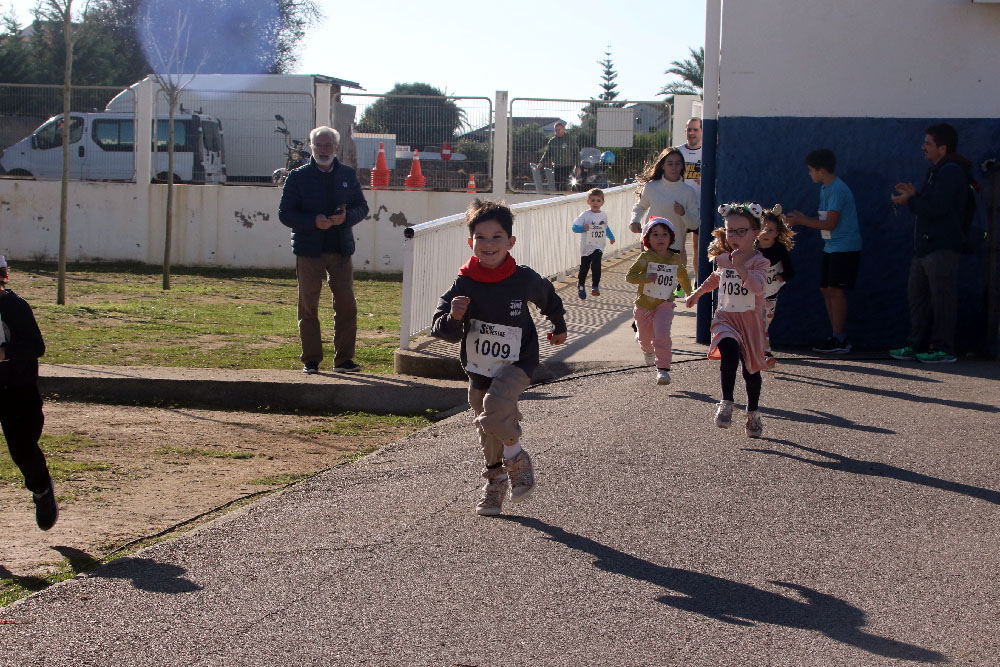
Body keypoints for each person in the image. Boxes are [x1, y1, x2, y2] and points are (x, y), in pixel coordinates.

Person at [430, 199, 567, 517]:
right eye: (481, 237)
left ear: (510, 242)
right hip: (480, 369)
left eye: (497, 237)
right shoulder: (464, 283)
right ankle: (495, 483)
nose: (489, 244)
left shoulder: (522, 278)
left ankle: (517, 458)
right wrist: (454, 316)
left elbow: (549, 298)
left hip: (519, 362)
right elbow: (443, 331)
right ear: (470, 242)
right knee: (487, 426)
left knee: (495, 407)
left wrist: (558, 326)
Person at [278, 126, 369, 374]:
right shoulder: (297, 177)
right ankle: (311, 359)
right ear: (311, 146)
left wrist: (346, 217)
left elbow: (362, 207)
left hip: (341, 250)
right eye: (319, 144)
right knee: (308, 306)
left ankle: (344, 360)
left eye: (328, 145)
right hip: (309, 251)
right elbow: (285, 214)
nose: (324, 149)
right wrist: (312, 222)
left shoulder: (348, 175)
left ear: (336, 147)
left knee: (347, 306)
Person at [684, 203, 770, 438]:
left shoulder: (760, 262)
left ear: (755, 233)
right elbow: (715, 279)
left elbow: (758, 286)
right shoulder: (723, 259)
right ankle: (726, 402)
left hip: (750, 324)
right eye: (731, 231)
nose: (734, 236)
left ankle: (752, 412)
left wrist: (741, 267)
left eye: (741, 231)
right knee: (729, 353)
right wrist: (697, 294)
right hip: (726, 319)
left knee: (751, 372)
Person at [889, 123, 971, 364]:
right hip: (924, 248)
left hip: (942, 248)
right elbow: (929, 203)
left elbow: (937, 209)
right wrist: (914, 194)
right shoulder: (935, 171)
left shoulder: (952, 172)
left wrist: (911, 200)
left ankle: (943, 348)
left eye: (928, 143)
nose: (923, 147)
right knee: (918, 299)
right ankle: (917, 345)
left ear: (943, 148)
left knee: (942, 300)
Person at [0, 256, 58, 530]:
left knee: (22, 450)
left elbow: (36, 346)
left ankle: (42, 491)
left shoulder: (14, 306)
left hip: (17, 390)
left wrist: (3, 353)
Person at [785, 149, 862, 354]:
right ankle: (835, 335)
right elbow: (824, 220)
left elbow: (830, 223)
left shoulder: (837, 189)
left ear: (821, 170)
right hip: (832, 246)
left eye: (811, 170)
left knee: (835, 290)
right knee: (826, 289)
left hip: (844, 247)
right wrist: (802, 217)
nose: (809, 173)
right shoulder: (826, 189)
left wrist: (801, 220)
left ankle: (841, 338)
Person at [625, 217, 692, 385]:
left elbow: (683, 276)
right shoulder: (646, 257)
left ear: (671, 238)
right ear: (647, 239)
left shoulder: (675, 258)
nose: (660, 238)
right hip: (643, 305)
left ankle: (663, 369)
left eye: (664, 234)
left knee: (662, 335)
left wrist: (690, 294)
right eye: (655, 234)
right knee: (646, 340)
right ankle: (647, 351)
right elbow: (630, 276)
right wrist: (645, 277)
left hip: (665, 304)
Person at [629, 147, 700, 289]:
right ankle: (645, 311)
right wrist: (634, 220)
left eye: (678, 163)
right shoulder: (651, 187)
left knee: (666, 291)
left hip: (673, 248)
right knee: (648, 286)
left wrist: (683, 213)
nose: (674, 167)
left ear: (682, 166)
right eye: (670, 163)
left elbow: (694, 223)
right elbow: (640, 207)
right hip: (651, 244)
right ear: (662, 165)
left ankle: (665, 308)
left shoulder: (688, 192)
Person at [755, 205, 796, 368]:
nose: (766, 233)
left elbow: (791, 271)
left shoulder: (779, 249)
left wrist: (783, 276)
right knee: (759, 323)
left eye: (771, 230)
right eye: (762, 229)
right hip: (752, 295)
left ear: (777, 233)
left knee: (764, 323)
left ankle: (759, 350)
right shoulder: (751, 249)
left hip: (771, 294)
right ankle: (765, 353)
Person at [571, 188, 616, 299]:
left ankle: (595, 286)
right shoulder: (585, 215)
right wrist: (583, 228)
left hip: (599, 245)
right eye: (593, 200)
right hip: (586, 246)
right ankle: (581, 284)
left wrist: (611, 237)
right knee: (584, 267)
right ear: (588, 202)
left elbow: (605, 227)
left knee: (596, 263)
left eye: (598, 200)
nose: (595, 203)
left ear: (602, 202)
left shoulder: (603, 215)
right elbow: (574, 228)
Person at [675, 117, 704, 280]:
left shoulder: (709, 152)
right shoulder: (677, 152)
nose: (692, 133)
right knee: (679, 246)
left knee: (698, 246)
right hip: (680, 206)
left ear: (701, 131)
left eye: (695, 129)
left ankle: (698, 282)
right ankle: (681, 282)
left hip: (700, 207)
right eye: (689, 130)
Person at [537, 121, 579, 191]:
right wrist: (541, 162)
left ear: (563, 129)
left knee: (565, 184)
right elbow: (547, 153)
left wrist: (577, 166)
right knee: (557, 184)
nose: (557, 132)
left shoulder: (569, 139)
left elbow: (576, 153)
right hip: (557, 166)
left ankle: (565, 197)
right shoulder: (552, 141)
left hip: (568, 166)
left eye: (559, 130)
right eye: (556, 130)